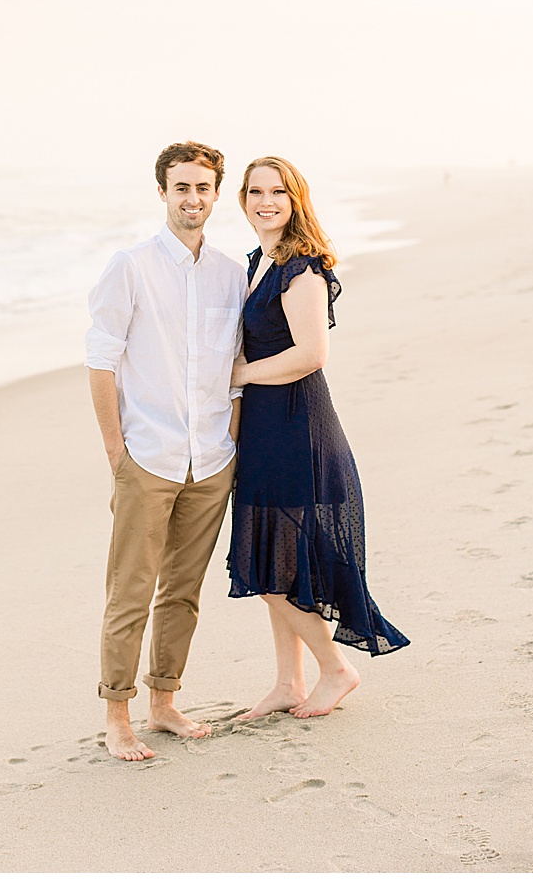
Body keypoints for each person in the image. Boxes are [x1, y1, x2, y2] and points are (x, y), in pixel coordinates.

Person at [227, 155, 409, 720]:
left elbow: (311, 354)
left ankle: (336, 669)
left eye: (278, 192)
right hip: (263, 424)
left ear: (296, 199)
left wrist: (240, 374)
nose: (266, 201)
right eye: (256, 191)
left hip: (294, 425)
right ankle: (288, 681)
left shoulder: (300, 268)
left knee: (268, 565)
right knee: (274, 561)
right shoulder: (259, 260)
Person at [86, 141, 246, 762]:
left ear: (215, 194)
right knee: (131, 590)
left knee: (183, 591)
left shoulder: (233, 274)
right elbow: (101, 360)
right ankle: (117, 713)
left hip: (210, 457)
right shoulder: (129, 267)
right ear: (162, 193)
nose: (193, 199)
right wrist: (115, 453)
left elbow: (233, 366)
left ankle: (164, 702)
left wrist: (230, 434)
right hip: (147, 456)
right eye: (182, 188)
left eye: (203, 188)